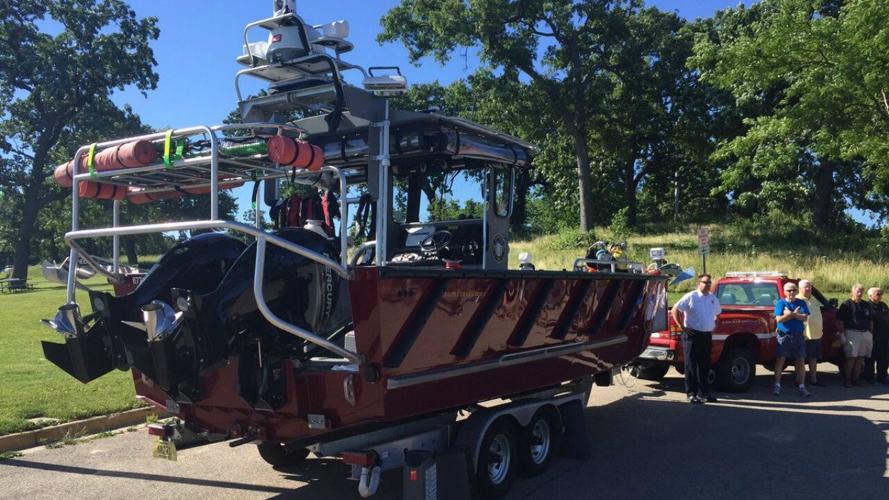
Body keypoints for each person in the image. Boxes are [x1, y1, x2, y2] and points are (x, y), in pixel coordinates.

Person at [672, 274, 721, 404]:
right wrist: (681, 326)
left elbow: (718, 314)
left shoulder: (712, 298)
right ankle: (691, 393)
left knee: (704, 365)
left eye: (709, 283)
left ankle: (703, 393)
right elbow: (675, 310)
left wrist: (713, 325)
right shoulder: (691, 296)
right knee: (691, 365)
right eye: (705, 282)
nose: (708, 285)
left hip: (706, 335)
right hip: (692, 334)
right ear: (698, 284)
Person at [773, 282, 811, 396]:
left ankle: (802, 386)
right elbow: (779, 319)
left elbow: (805, 317)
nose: (791, 292)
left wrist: (791, 314)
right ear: (784, 292)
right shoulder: (781, 303)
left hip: (798, 336)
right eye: (789, 290)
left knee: (800, 361)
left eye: (794, 290)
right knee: (780, 360)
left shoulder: (801, 302)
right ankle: (777, 385)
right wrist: (793, 315)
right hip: (784, 336)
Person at [837, 284, 874, 387]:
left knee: (860, 358)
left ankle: (856, 379)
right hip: (852, 332)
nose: (860, 293)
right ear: (852, 292)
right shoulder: (846, 304)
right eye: (858, 291)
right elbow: (840, 321)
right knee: (851, 357)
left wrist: (870, 333)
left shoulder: (866, 305)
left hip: (865, 333)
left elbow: (871, 320)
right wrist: (842, 334)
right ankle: (847, 379)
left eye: (862, 291)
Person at [798, 280, 825, 386]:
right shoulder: (797, 300)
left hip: (816, 334)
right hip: (804, 335)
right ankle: (800, 381)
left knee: (813, 358)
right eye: (806, 287)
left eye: (809, 287)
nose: (808, 289)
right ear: (800, 289)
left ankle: (814, 380)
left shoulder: (814, 300)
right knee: (801, 359)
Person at [863, 287, 889, 384]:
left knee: (884, 358)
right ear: (870, 295)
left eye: (881, 294)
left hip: (884, 336)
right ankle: (869, 378)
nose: (880, 296)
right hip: (872, 336)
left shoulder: (883, 305)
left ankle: (882, 377)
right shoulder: (867, 306)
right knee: (870, 358)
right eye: (878, 294)